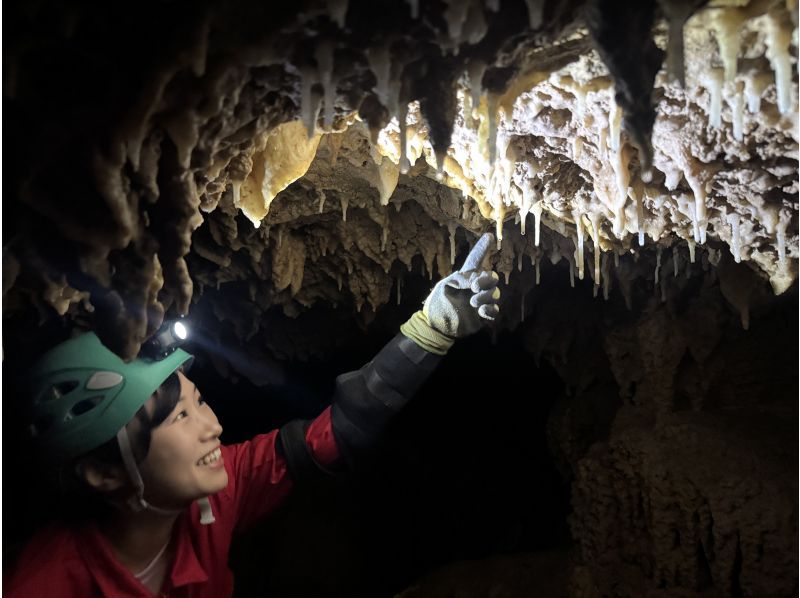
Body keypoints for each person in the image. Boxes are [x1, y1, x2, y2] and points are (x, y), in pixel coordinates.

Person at [5, 232, 501, 597]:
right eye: (179, 418)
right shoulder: (43, 584)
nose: (214, 427)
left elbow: (334, 434)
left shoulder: (216, 500)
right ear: (101, 472)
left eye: (199, 402)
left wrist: (431, 330)